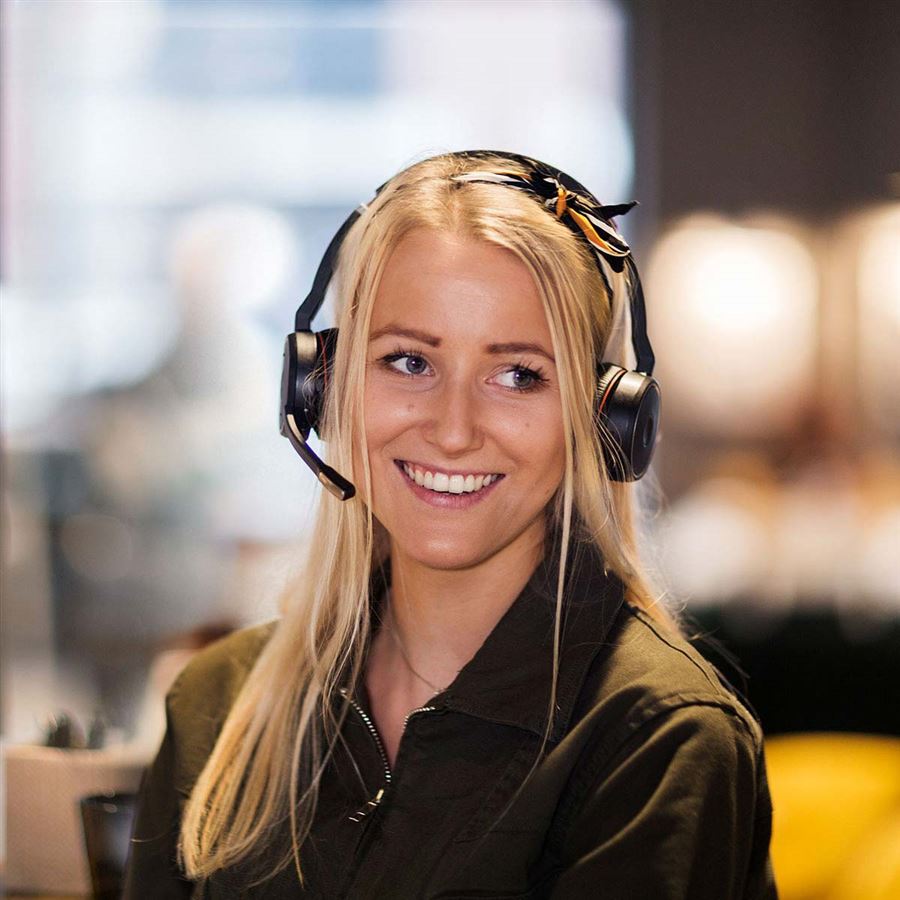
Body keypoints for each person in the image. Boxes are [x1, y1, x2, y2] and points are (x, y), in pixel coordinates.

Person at [123, 151, 778, 898]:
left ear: (603, 420)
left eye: (518, 375)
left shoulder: (659, 742)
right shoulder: (220, 705)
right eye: (408, 362)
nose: (455, 430)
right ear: (324, 386)